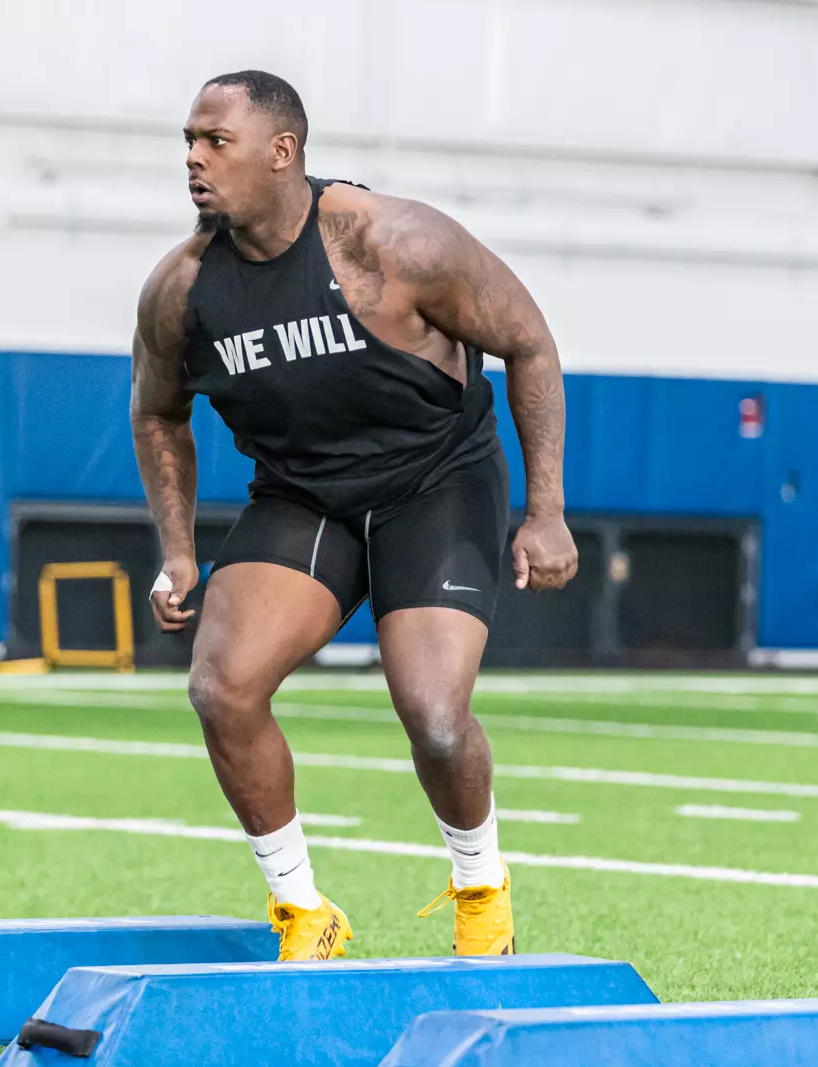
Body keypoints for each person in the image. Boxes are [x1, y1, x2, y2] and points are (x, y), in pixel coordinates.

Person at [129, 70, 577, 961]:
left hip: (435, 482)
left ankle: (481, 887)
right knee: (222, 687)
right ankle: (304, 911)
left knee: (436, 718)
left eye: (215, 141)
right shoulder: (181, 290)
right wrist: (177, 551)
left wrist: (547, 510)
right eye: (188, 140)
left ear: (282, 151)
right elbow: (156, 413)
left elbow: (528, 342)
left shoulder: (392, 242)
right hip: (303, 496)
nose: (193, 159)